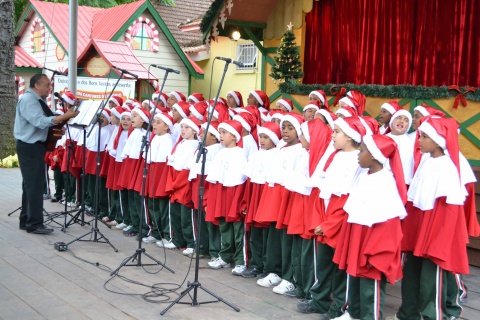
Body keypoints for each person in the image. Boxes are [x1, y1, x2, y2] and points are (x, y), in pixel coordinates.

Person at [394, 117, 469, 320]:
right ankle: (408, 313)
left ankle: (432, 315)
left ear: (439, 141)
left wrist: (437, 238)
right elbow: (417, 199)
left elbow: (448, 209)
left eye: (425, 136)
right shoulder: (427, 161)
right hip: (420, 225)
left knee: (431, 279)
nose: (419, 139)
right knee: (411, 273)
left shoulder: (446, 168)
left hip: (435, 229)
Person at [332, 134, 407, 320]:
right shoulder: (366, 176)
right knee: (355, 276)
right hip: (359, 235)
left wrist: (376, 251)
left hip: (374, 243)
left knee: (370, 285)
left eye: (363, 150)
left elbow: (389, 225)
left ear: (374, 155)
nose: (359, 153)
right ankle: (354, 313)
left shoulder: (384, 182)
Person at [14, 73, 79, 234]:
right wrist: (64, 116)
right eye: (47, 85)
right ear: (36, 85)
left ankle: (27, 219)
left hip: (35, 145)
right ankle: (34, 224)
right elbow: (40, 121)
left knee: (31, 184)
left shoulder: (38, 100)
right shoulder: (29, 100)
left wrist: (59, 124)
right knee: (35, 185)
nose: (49, 88)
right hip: (29, 146)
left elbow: (47, 120)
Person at [206, 120, 248, 275]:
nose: (220, 135)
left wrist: (239, 199)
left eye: (224, 132)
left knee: (237, 229)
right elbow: (216, 176)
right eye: (220, 132)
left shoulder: (240, 153)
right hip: (222, 192)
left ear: (234, 136)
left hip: (235, 193)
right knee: (224, 226)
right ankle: (224, 256)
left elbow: (241, 179)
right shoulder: (221, 152)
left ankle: (240, 261)